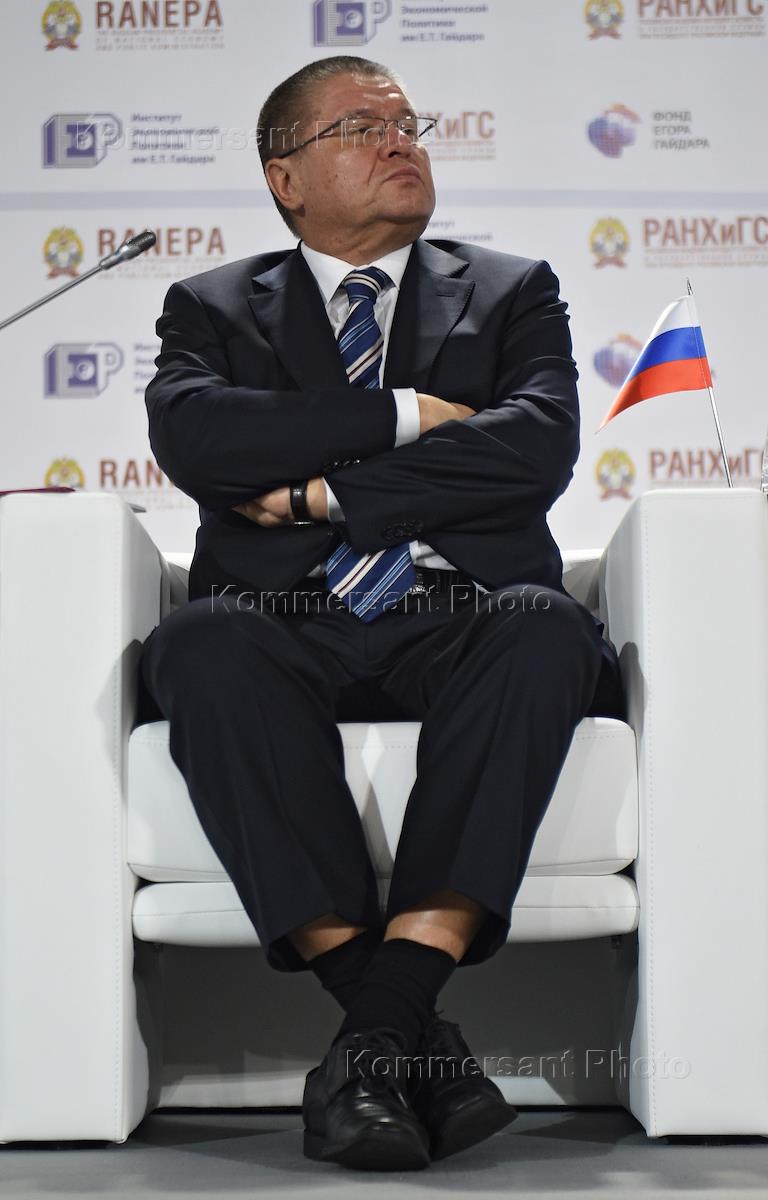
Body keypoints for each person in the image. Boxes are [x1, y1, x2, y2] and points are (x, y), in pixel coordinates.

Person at [139, 55, 624, 1172]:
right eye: (360, 126)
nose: (400, 140)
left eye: (409, 122)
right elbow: (203, 440)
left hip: (464, 612)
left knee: (545, 625)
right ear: (286, 178)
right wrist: (407, 413)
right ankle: (408, 1036)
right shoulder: (211, 307)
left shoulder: (511, 289)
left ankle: (373, 1035)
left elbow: (532, 447)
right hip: (283, 615)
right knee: (200, 642)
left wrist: (322, 495)